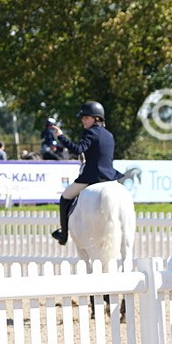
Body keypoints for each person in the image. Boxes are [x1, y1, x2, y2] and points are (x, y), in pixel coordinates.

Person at [50, 101, 123, 245]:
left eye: (86, 118)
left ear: (96, 118)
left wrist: (61, 137)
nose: (83, 120)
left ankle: (63, 235)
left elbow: (78, 149)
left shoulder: (90, 132)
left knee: (65, 197)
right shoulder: (109, 135)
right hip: (109, 177)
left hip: (91, 177)